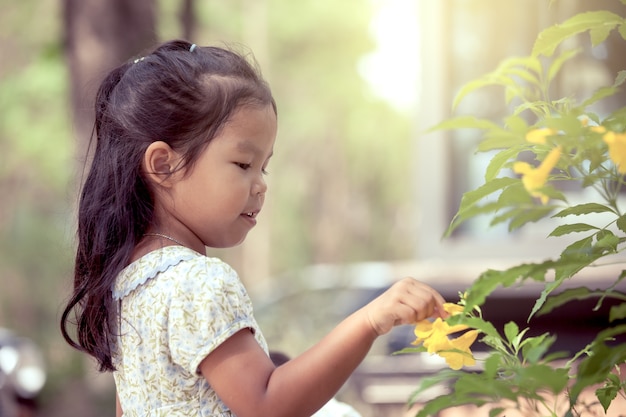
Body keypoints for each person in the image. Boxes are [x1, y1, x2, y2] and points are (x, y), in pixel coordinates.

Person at [59, 39, 447, 417]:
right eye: (243, 164)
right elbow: (268, 404)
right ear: (164, 165)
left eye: (265, 166)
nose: (261, 184)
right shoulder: (198, 282)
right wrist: (368, 321)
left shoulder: (130, 285)